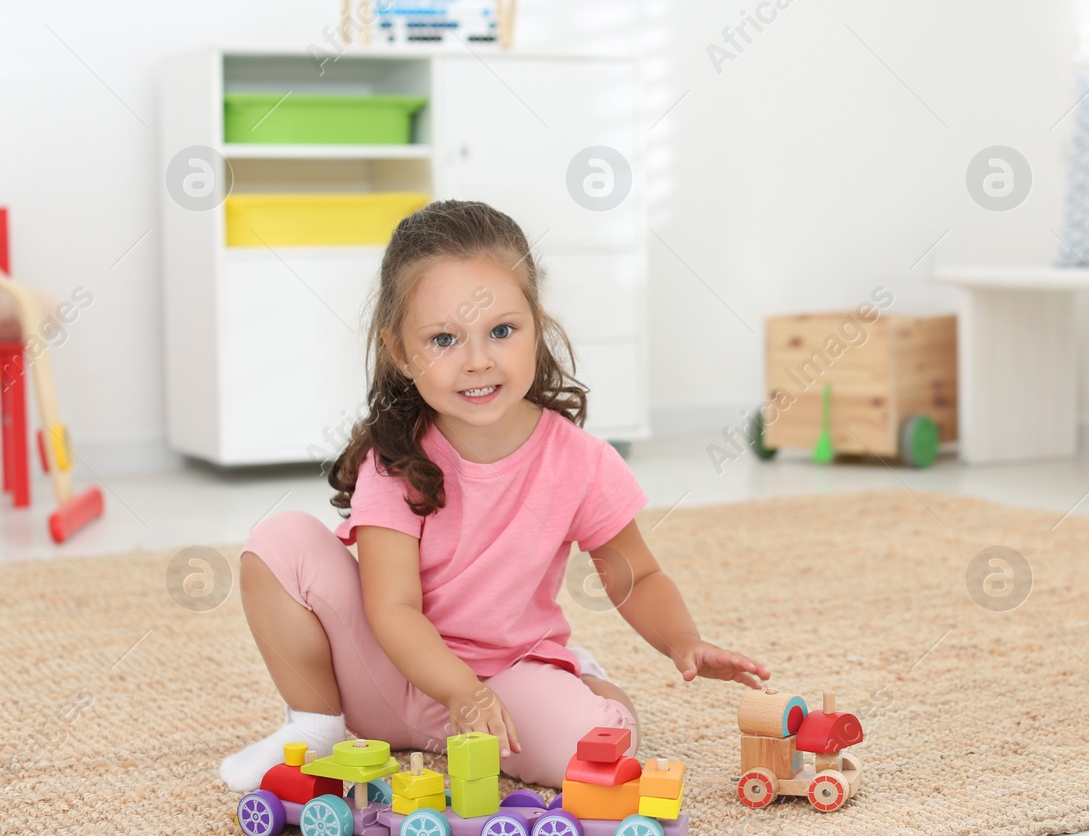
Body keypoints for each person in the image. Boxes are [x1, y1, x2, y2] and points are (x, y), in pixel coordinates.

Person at [220, 199, 767, 793]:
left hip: (504, 685)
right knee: (278, 542)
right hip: (385, 681)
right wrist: (458, 691)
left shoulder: (579, 461)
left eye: (502, 331)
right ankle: (316, 725)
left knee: (599, 755)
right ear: (400, 353)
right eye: (444, 340)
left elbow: (634, 575)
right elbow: (392, 609)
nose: (478, 361)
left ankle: (580, 680)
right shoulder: (396, 457)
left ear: (537, 326)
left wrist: (682, 640)